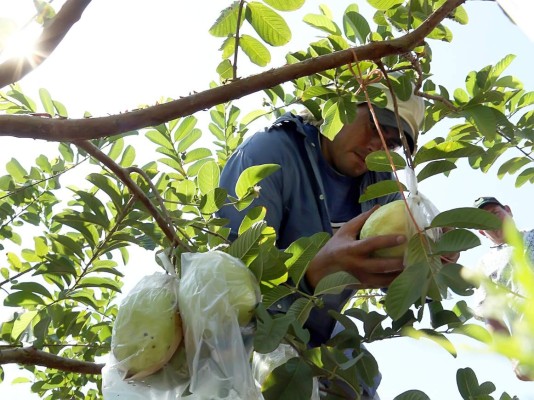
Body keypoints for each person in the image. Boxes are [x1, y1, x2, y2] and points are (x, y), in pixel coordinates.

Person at [218, 76, 425, 399]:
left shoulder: (382, 184)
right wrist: (313, 273)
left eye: (393, 143)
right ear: (340, 108)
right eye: (373, 126)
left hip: (319, 332)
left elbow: (395, 283)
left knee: (362, 384)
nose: (377, 146)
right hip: (252, 333)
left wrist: (425, 261)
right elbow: (230, 283)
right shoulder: (270, 152)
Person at [472, 196, 534, 381]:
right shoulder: (484, 266)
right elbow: (492, 318)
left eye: (495, 213)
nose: (492, 220)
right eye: (484, 220)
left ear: (508, 210)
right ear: (481, 232)